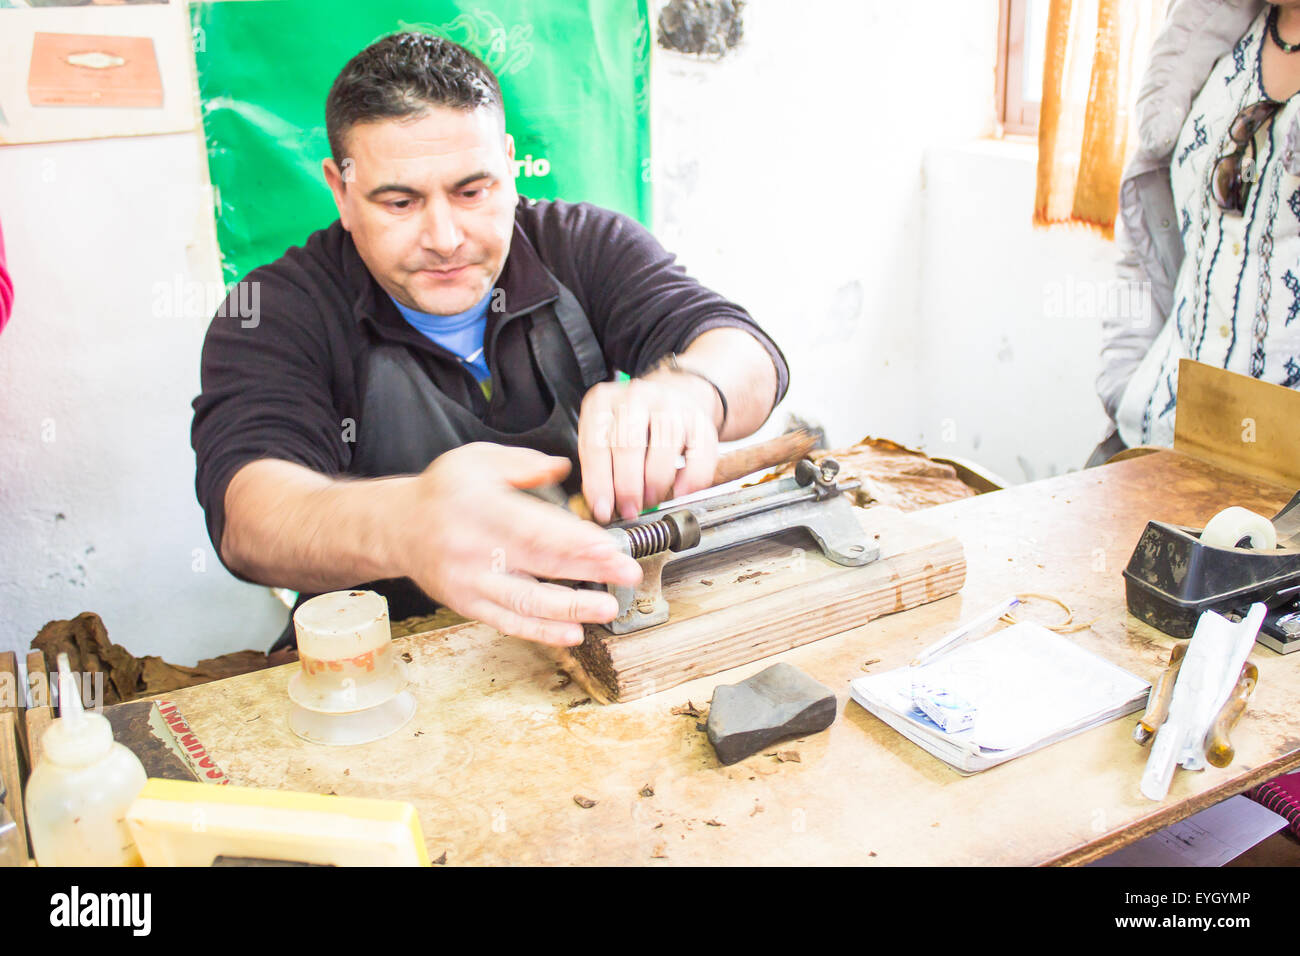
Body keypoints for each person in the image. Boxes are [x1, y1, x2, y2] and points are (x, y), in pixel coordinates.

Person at [191, 33, 788, 649]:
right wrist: (409, 525)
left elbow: (745, 351)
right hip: (385, 666)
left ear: (508, 164)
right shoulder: (275, 312)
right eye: (400, 201)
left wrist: (690, 392)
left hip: (596, 628)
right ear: (341, 192)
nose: (445, 237)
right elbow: (248, 515)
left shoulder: (583, 245)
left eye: (472, 191)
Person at [1093, 0, 1300, 463]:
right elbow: (1150, 231)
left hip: (1286, 486)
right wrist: (1124, 381)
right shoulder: (1214, 33)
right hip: (1161, 438)